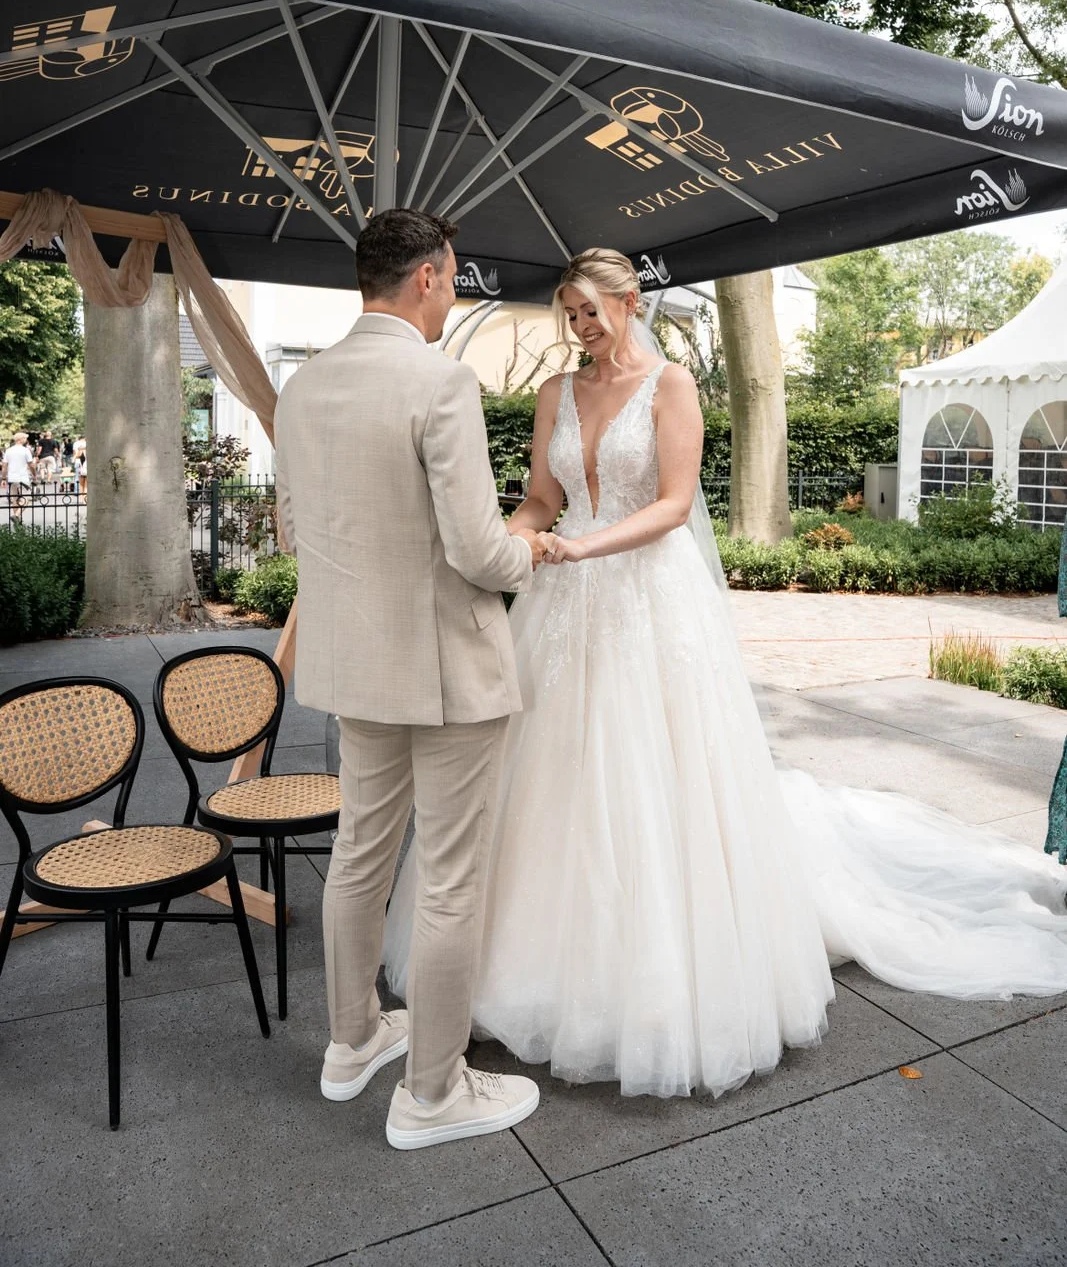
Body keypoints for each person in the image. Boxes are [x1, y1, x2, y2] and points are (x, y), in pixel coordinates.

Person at [384, 247, 1067, 1099]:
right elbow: (541, 499)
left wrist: (582, 547)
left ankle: (661, 977)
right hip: (561, 604)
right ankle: (515, 963)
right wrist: (511, 538)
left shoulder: (671, 388)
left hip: (648, 601)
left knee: (656, 773)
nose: (581, 328)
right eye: (569, 314)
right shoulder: (556, 392)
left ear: (630, 302)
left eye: (592, 311)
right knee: (544, 775)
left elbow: (672, 505)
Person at [275, 211, 548, 1150]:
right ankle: (432, 1093)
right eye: (454, 277)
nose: (455, 292)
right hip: (446, 674)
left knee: (359, 855)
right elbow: (478, 550)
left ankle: (350, 1042)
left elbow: (293, 532)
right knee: (447, 885)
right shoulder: (441, 382)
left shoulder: (301, 386)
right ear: (429, 277)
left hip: (353, 667)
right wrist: (531, 549)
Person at [2, 431, 35, 519]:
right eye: (25, 438)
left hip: (12, 478)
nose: (26, 440)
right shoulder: (25, 450)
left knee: (14, 500)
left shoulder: (8, 451)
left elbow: (4, 466)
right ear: (21, 440)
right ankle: (16, 515)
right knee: (27, 499)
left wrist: (3, 478)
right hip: (22, 478)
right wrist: (34, 475)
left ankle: (16, 520)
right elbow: (31, 464)